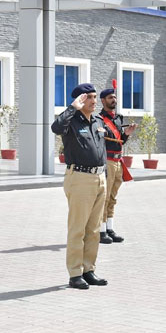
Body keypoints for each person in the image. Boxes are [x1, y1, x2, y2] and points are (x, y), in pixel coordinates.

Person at [51, 83, 109, 290]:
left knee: (93, 229)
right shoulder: (70, 121)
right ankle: (75, 274)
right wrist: (72, 107)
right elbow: (55, 128)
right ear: (80, 100)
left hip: (99, 178)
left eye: (95, 97)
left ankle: (88, 270)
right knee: (78, 229)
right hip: (80, 178)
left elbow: (102, 150)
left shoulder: (98, 121)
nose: (94, 101)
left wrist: (105, 177)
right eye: (90, 98)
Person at [98, 85, 137, 245]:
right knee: (104, 197)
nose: (113, 100)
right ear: (103, 100)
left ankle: (109, 228)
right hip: (107, 160)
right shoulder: (99, 120)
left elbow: (120, 140)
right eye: (110, 98)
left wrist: (126, 134)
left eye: (114, 97)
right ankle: (100, 231)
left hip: (118, 160)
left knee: (113, 197)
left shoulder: (118, 118)